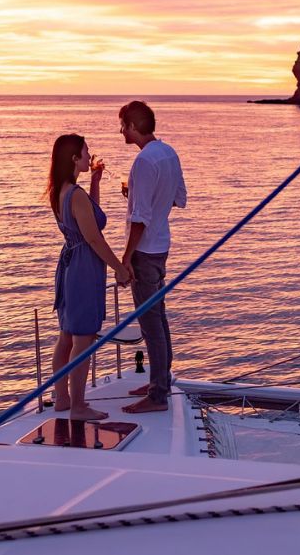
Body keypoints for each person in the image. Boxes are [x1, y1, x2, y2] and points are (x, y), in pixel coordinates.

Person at [47, 133, 132, 421]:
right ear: (74, 158)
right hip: (83, 268)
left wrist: (95, 182)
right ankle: (79, 407)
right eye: (85, 152)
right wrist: (119, 268)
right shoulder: (76, 195)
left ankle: (62, 398)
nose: (89, 155)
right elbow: (94, 238)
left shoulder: (62, 191)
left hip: (70, 265)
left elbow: (90, 217)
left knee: (67, 337)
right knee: (83, 339)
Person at [117, 101, 187, 414]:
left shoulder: (144, 162)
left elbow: (140, 218)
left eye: (122, 125)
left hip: (145, 251)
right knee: (158, 318)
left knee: (151, 323)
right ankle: (161, 380)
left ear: (133, 125)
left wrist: (125, 258)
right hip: (162, 244)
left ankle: (158, 395)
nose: (121, 131)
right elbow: (176, 198)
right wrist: (135, 196)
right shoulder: (168, 152)